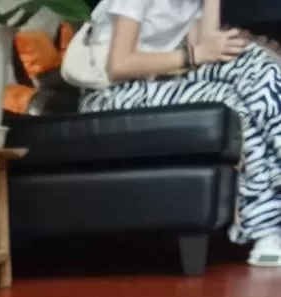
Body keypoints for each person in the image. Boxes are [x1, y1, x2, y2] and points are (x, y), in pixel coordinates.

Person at [80, 0, 281, 264]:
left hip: (160, 82)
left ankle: (266, 230)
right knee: (241, 87)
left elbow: (210, 50)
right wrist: (193, 55)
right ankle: (266, 229)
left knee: (249, 76)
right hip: (110, 94)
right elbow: (118, 65)